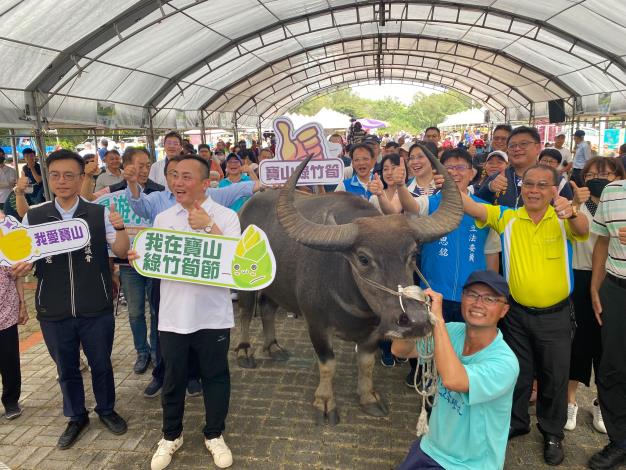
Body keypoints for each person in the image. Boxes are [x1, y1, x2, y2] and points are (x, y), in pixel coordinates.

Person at [461, 164, 589, 465]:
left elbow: (582, 228)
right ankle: (517, 422)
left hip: (556, 316)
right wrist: (456, 181)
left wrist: (572, 212)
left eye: (542, 185)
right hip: (516, 314)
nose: (534, 190)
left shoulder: (563, 219)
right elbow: (471, 207)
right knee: (515, 372)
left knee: (554, 377)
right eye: (528, 184)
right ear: (521, 188)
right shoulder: (507, 218)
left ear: (554, 190)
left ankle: (553, 432)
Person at [12, 149, 130, 449]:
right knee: (66, 368)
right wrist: (22, 265)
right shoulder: (35, 216)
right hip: (53, 308)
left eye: (69, 175)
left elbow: (119, 251)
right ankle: (76, 416)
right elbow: (22, 255)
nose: (61, 181)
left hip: (96, 305)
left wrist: (119, 228)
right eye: (55, 175)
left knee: (101, 363)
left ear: (81, 179)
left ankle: (106, 409)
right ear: (48, 179)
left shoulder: (96, 212)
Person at [128, 156, 239, 470]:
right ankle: (170, 435)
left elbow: (237, 264)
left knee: (215, 376)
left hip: (213, 315)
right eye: (173, 175)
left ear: (205, 183)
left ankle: (214, 434)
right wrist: (141, 257)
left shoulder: (227, 217)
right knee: (174, 377)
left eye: (186, 176)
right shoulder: (163, 218)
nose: (178, 182)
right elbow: (157, 258)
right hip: (174, 315)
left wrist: (209, 227)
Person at [392, 271, 519, 470]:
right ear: (462, 299)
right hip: (430, 447)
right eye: (472, 295)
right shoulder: (452, 331)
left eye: (490, 299)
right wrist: (409, 315)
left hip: (469, 465)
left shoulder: (505, 363)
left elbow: (453, 379)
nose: (478, 303)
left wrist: (438, 321)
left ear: (504, 310)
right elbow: (400, 349)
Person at [565, 157, 624, 433]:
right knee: (578, 342)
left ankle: (603, 404)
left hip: (609, 280)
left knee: (606, 347)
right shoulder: (576, 203)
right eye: (590, 175)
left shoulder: (618, 204)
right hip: (579, 275)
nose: (598, 179)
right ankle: (570, 401)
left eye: (607, 174)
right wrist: (575, 204)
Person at [588, 171, 626, 470]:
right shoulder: (613, 192)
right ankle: (620, 440)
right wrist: (595, 287)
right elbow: (602, 241)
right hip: (615, 288)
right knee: (611, 368)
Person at [477, 126, 542, 208]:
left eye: (524, 144)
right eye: (512, 145)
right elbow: (478, 206)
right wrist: (489, 188)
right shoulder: (496, 178)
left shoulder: (554, 180)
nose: (517, 149)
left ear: (538, 147)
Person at [0, 263, 28, 420]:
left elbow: (17, 277)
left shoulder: (4, 251)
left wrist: (22, 303)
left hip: (5, 315)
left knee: (9, 361)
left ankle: (11, 401)